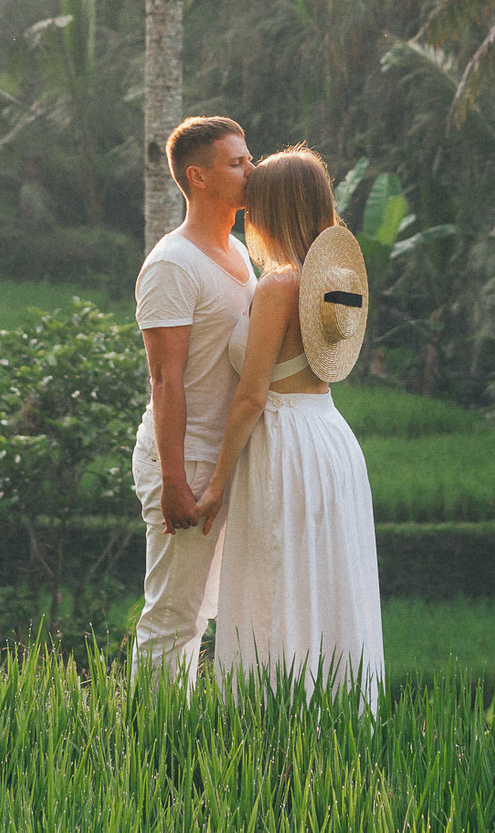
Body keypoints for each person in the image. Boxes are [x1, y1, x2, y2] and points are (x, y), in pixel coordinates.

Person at [197, 145, 384, 708]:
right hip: (328, 438)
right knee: (326, 583)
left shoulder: (280, 287)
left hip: (285, 444)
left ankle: (279, 733)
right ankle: (334, 723)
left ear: (273, 211)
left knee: (278, 584)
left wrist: (214, 486)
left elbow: (252, 395)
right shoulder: (336, 282)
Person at [131, 115, 256, 683]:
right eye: (238, 163)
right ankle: (145, 749)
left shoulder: (237, 250)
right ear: (199, 178)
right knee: (173, 615)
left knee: (201, 615)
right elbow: (165, 380)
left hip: (221, 457)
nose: (252, 170)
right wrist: (176, 481)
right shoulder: (172, 265)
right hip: (186, 459)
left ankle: (170, 738)